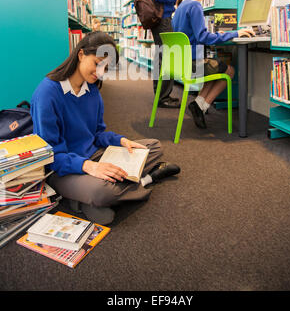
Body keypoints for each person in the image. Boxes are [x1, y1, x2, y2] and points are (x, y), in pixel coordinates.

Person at [31, 31, 180, 225]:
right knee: (101, 192)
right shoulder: (47, 93)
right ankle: (145, 180)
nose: (100, 72)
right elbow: (50, 156)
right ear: (81, 54)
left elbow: (97, 134)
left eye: (106, 68)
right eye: (98, 63)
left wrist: (121, 141)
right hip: (63, 170)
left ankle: (89, 197)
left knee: (152, 147)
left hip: (94, 154)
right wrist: (89, 167)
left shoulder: (92, 90)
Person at [172, 0, 254, 129]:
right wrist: (234, 33)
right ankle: (201, 106)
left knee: (216, 70)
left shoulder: (180, 7)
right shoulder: (194, 5)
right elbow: (202, 37)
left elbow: (193, 35)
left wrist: (215, 34)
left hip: (183, 63)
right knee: (229, 71)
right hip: (194, 64)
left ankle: (198, 105)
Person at [150, 0, 183, 108]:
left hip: (161, 19)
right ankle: (163, 97)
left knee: (162, 57)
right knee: (167, 58)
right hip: (162, 20)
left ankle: (161, 95)